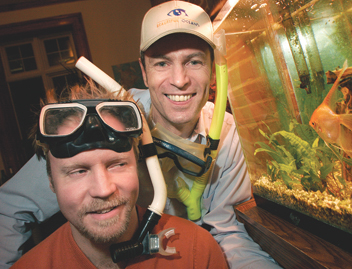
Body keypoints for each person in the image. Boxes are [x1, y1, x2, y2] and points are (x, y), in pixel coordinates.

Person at [0, 1, 282, 268]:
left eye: (194, 61)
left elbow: (229, 232)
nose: (180, 79)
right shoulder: (108, 120)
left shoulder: (229, 133)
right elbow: (9, 208)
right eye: (161, 63)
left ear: (212, 69)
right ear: (144, 73)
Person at [10, 81, 228, 268]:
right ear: (51, 182)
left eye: (116, 164)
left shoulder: (197, 253)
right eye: (78, 171)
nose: (103, 189)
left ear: (138, 167)